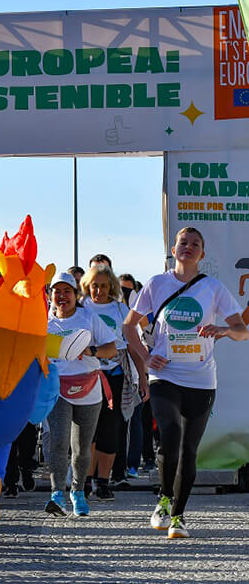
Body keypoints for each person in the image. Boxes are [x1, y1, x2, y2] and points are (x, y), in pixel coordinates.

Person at [124, 227, 248, 539]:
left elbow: (242, 330)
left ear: (202, 254)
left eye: (195, 244)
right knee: (170, 433)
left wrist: (222, 330)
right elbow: (129, 327)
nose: (188, 247)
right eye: (183, 242)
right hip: (165, 375)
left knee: (189, 449)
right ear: (174, 248)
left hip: (202, 378)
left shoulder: (213, 288)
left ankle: (178, 516)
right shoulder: (157, 284)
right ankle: (163, 500)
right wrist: (147, 357)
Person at [43, 272, 118, 518]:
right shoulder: (43, 320)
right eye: (57, 291)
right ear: (51, 295)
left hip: (88, 388)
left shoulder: (89, 317)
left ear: (76, 295)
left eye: (67, 291)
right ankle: (56, 493)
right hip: (57, 388)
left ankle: (78, 491)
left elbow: (111, 349)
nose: (62, 296)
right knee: (59, 441)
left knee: (82, 448)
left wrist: (92, 349)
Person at [80, 265, 141, 501]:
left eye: (104, 285)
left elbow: (133, 345)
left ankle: (102, 482)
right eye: (95, 285)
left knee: (111, 431)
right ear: (87, 285)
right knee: (88, 431)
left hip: (116, 374)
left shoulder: (120, 308)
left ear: (111, 287)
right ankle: (84, 480)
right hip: (88, 375)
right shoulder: (82, 307)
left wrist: (142, 377)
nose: (99, 290)